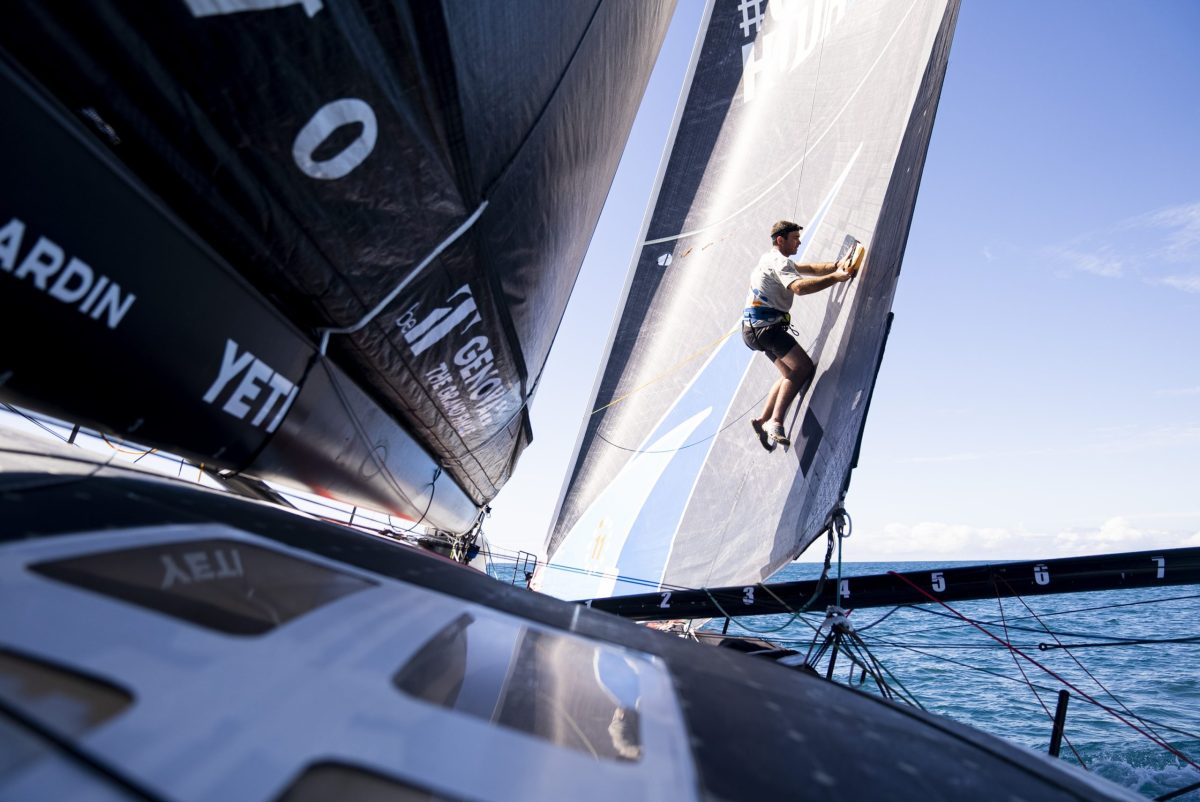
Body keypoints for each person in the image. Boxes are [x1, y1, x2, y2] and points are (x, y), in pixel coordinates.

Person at [743, 220, 862, 450]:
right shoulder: (780, 261)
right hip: (766, 329)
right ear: (781, 240)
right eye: (795, 238)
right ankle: (776, 422)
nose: (799, 242)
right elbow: (799, 288)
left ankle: (761, 420)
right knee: (803, 367)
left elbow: (808, 268)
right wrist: (836, 277)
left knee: (788, 373)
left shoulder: (769, 259)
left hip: (752, 331)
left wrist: (836, 265)